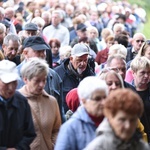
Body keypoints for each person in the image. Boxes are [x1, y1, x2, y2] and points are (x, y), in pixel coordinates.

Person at [17, 36, 64, 122]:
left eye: (44, 51)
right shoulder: (14, 75)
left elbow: (60, 111)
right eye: (38, 51)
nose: (42, 55)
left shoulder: (54, 76)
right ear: (25, 53)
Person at [54, 76, 108, 150]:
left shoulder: (113, 120)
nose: (103, 102)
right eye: (97, 99)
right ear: (84, 101)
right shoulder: (70, 128)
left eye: (105, 97)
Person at [85, 89, 149, 150]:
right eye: (122, 120)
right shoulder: (97, 147)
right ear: (110, 118)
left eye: (132, 120)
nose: (128, 126)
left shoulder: (142, 147)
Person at [18, 58, 61, 149]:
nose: (42, 85)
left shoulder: (52, 102)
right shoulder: (16, 101)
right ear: (25, 79)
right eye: (37, 81)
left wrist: (52, 145)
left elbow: (56, 129)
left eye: (44, 80)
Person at [0, 60, 36, 149]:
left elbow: (30, 133)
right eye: (7, 83)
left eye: (14, 82)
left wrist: (17, 148)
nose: (11, 88)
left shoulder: (22, 101)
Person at [54, 43, 95, 113]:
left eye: (85, 60)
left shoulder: (90, 75)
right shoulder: (58, 73)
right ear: (71, 59)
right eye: (79, 60)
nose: (83, 64)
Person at [130, 56, 150, 142]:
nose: (146, 76)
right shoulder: (128, 91)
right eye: (142, 73)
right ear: (133, 73)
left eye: (148, 72)